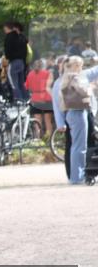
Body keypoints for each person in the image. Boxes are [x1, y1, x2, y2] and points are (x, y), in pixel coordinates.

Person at [59, 56, 98, 185]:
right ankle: (77, 177)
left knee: (76, 146)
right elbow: (84, 92)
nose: (82, 68)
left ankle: (76, 176)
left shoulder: (65, 77)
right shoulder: (75, 77)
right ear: (76, 65)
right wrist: (91, 87)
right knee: (80, 147)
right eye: (80, 65)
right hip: (78, 112)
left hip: (72, 113)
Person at [26, 59, 55, 141]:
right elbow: (49, 86)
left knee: (37, 121)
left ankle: (38, 139)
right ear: (44, 65)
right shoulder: (48, 73)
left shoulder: (30, 74)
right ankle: (49, 139)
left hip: (35, 98)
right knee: (48, 120)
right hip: (46, 97)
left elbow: (27, 86)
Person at [3, 21, 29, 101]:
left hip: (13, 61)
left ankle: (18, 100)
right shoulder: (22, 38)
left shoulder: (9, 37)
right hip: (22, 62)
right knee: (21, 83)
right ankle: (26, 99)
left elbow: (7, 51)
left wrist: (7, 57)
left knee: (14, 83)